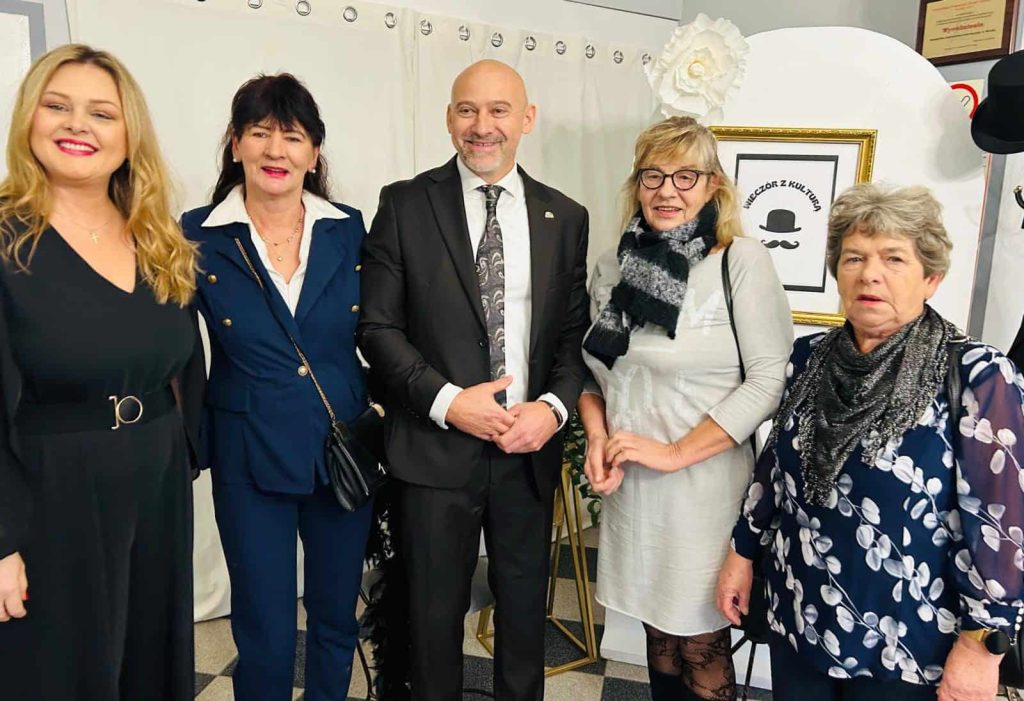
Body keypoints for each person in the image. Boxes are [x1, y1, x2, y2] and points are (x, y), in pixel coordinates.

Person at [716, 182, 1024, 701]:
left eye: (894, 259)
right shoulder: (809, 356)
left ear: (931, 278)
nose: (869, 274)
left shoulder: (978, 374)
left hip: (909, 645)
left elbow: (1003, 524)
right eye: (854, 257)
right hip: (800, 615)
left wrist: (981, 647)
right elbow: (774, 468)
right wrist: (741, 553)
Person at [357, 59, 590, 701]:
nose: (482, 126)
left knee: (524, 620)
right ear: (449, 118)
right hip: (433, 453)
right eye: (467, 110)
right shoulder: (405, 205)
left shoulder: (565, 216)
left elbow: (573, 340)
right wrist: (450, 402)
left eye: (498, 110)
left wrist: (552, 408)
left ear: (527, 119)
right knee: (431, 626)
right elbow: (377, 329)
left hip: (526, 453)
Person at [0, 44, 201, 700]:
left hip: (156, 482)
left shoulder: (157, 237)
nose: (77, 125)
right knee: (61, 671)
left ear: (129, 133)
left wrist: (185, 454)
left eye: (101, 113)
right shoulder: (5, 238)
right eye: (57, 106)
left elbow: (185, 363)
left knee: (148, 662)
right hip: (50, 491)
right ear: (29, 119)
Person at [578, 116, 792, 700]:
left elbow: (769, 381)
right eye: (653, 175)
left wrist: (673, 453)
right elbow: (594, 373)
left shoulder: (739, 260)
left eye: (685, 176)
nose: (667, 191)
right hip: (633, 491)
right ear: (636, 184)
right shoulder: (613, 266)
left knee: (701, 643)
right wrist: (597, 438)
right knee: (659, 638)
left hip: (704, 492)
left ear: (713, 184)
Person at [180, 73, 372, 701]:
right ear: (235, 143)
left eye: (292, 136)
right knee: (263, 628)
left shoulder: (349, 228)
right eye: (260, 133)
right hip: (247, 451)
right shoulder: (197, 234)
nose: (275, 150)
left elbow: (385, 330)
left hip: (339, 448)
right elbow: (173, 348)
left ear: (314, 153)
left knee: (335, 616)